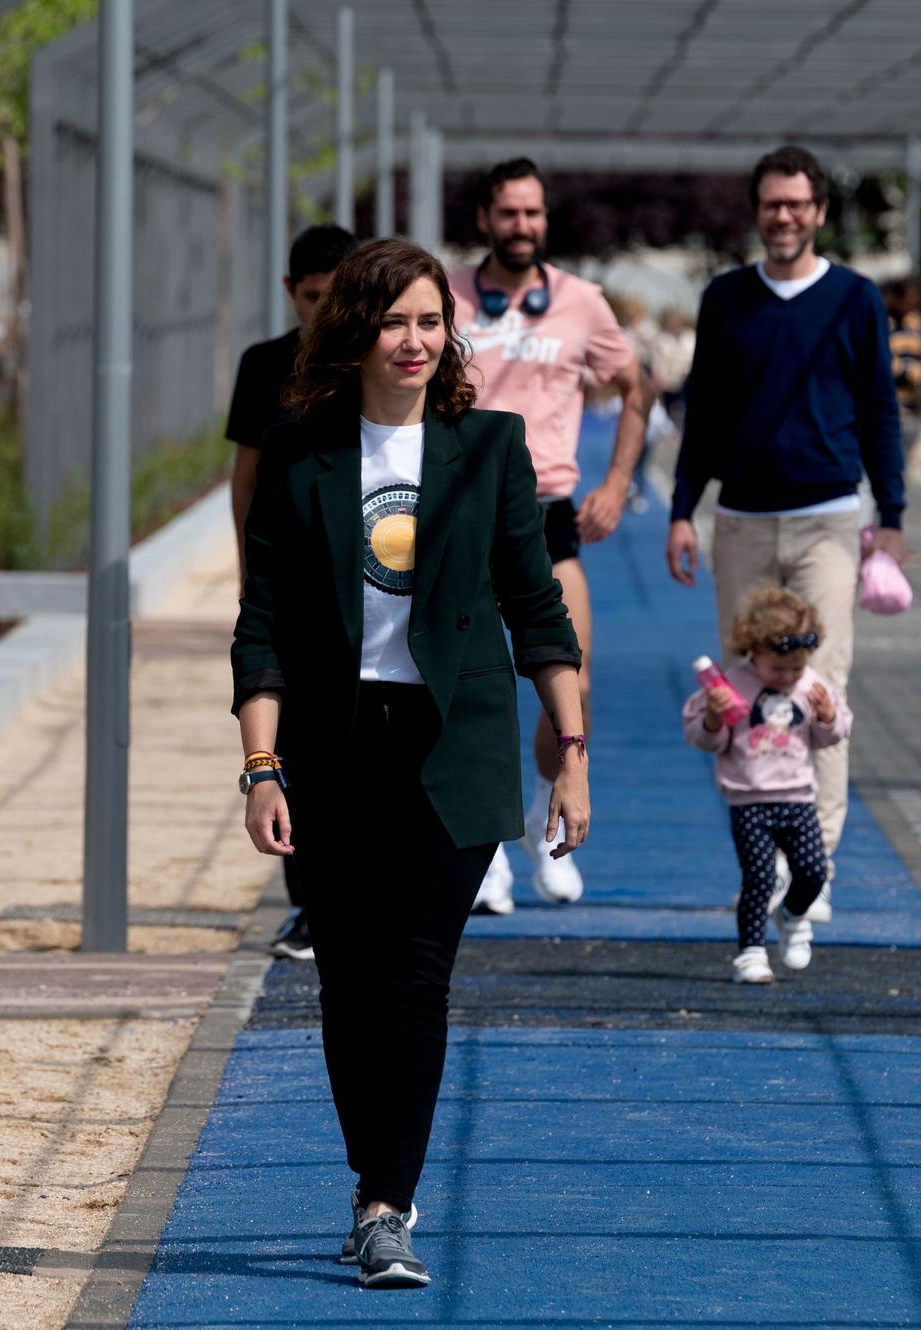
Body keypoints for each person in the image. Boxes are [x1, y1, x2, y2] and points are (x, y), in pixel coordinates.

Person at [233, 238, 588, 1289]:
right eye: (395, 322)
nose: (416, 340)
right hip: (336, 749)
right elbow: (261, 624)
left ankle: (388, 1204)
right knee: (347, 979)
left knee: (416, 976)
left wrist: (568, 755)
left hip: (455, 745)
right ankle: (367, 1184)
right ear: (353, 330)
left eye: (432, 321)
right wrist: (260, 767)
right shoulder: (302, 452)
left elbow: (537, 610)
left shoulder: (488, 448)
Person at [667, 144, 905, 918]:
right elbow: (702, 413)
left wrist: (892, 521)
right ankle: (762, 860)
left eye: (798, 204)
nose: (784, 216)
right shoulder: (728, 298)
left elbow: (880, 413)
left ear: (820, 213)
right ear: (758, 211)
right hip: (740, 519)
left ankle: (817, 864)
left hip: (830, 519)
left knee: (818, 682)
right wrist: (680, 509)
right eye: (772, 204)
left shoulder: (856, 299)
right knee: (741, 688)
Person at [448, 158, 645, 913]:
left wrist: (619, 483)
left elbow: (635, 387)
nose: (521, 226)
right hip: (458, 512)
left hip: (547, 514)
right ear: (485, 220)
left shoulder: (582, 304)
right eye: (508, 213)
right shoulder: (448, 297)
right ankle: (485, 847)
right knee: (464, 690)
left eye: (533, 213)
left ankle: (540, 817)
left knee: (575, 686)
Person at [223, 224, 356, 963]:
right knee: (288, 739)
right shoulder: (265, 366)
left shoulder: (379, 364)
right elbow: (246, 475)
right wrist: (249, 570)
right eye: (314, 299)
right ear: (291, 293)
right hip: (289, 576)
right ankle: (307, 903)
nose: (327, 312)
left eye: (340, 297)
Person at [683, 586, 851, 984]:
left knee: (813, 870)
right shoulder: (731, 685)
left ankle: (793, 913)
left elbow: (833, 736)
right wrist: (712, 718)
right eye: (778, 669)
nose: (788, 677)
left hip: (797, 798)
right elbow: (706, 740)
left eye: (796, 667)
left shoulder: (810, 684)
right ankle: (751, 952)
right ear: (753, 650)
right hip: (749, 799)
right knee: (758, 877)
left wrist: (828, 717)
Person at [885, 275, 921, 492]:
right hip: (888, 414)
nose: (912, 305)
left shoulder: (915, 322)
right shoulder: (882, 323)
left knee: (899, 476)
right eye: (909, 299)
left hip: (912, 412)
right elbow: (888, 367)